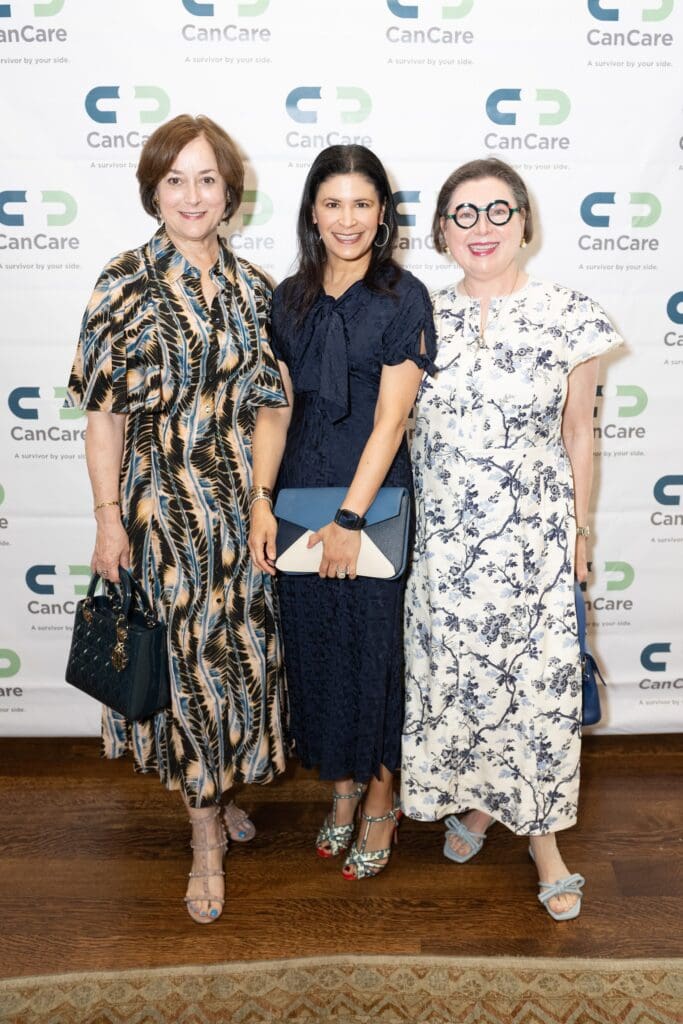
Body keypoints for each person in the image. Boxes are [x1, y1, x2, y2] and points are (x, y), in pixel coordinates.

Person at [66, 114, 288, 923]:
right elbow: (102, 417)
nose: (192, 196)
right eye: (175, 180)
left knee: (235, 664)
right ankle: (203, 837)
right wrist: (107, 520)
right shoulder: (122, 281)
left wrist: (261, 501)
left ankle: (217, 789)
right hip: (158, 515)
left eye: (207, 180)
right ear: (152, 191)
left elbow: (271, 407)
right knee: (185, 669)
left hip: (238, 517)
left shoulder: (256, 289)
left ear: (229, 191)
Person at [401, 157, 623, 920]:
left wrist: (579, 531)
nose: (481, 227)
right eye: (463, 214)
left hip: (532, 543)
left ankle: (543, 840)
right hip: (443, 547)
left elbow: (578, 433)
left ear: (524, 223)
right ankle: (481, 803)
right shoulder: (416, 317)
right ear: (441, 231)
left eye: (498, 210)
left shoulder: (570, 314)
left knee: (536, 693)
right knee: (461, 684)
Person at [249, 145, 436, 880]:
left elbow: (390, 422)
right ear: (312, 212)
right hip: (298, 494)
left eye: (362, 203)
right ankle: (342, 787)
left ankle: (381, 798)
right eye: (333, 203)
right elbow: (275, 410)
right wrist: (261, 501)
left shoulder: (402, 297)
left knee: (374, 651)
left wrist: (350, 522)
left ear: (383, 213)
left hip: (372, 501)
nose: (347, 219)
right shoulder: (288, 299)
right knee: (319, 648)